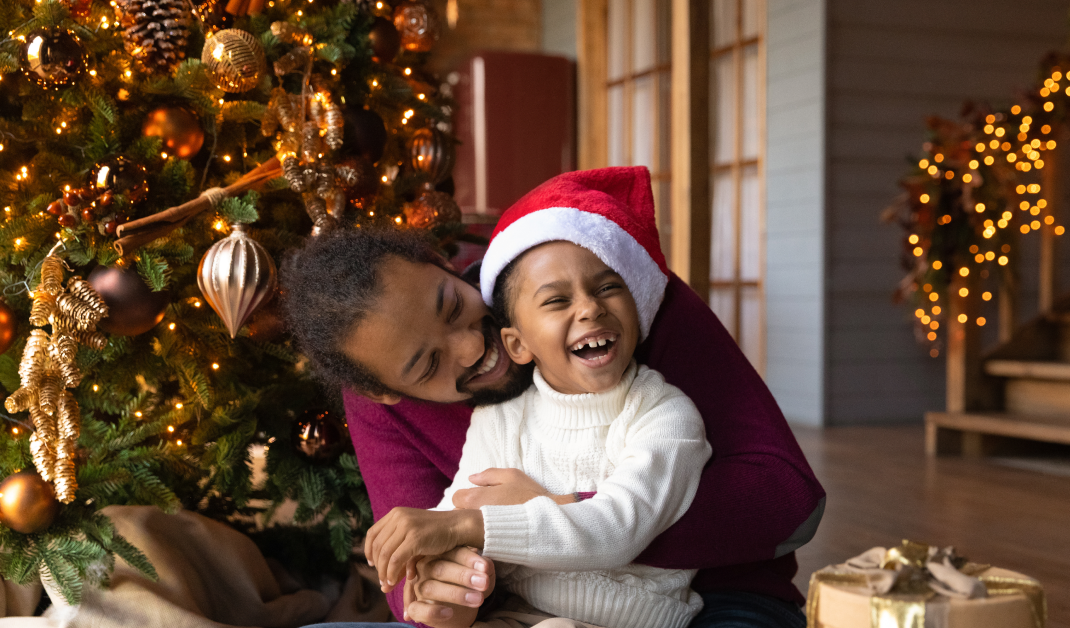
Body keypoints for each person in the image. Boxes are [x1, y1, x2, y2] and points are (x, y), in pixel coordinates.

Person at [285, 167, 827, 628]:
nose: (476, 346)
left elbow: (789, 505)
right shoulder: (407, 409)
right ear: (382, 391)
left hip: (710, 596)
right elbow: (430, 550)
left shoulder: (611, 296)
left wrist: (552, 507)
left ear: (440, 263)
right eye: (429, 365)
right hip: (536, 608)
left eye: (453, 305)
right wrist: (439, 595)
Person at [368, 232, 713, 628]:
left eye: (607, 287)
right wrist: (443, 578)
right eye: (556, 301)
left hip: (631, 619)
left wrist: (468, 526)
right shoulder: (499, 418)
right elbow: (458, 504)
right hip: (518, 614)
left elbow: (619, 527)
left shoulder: (664, 413)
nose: (589, 308)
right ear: (517, 344)